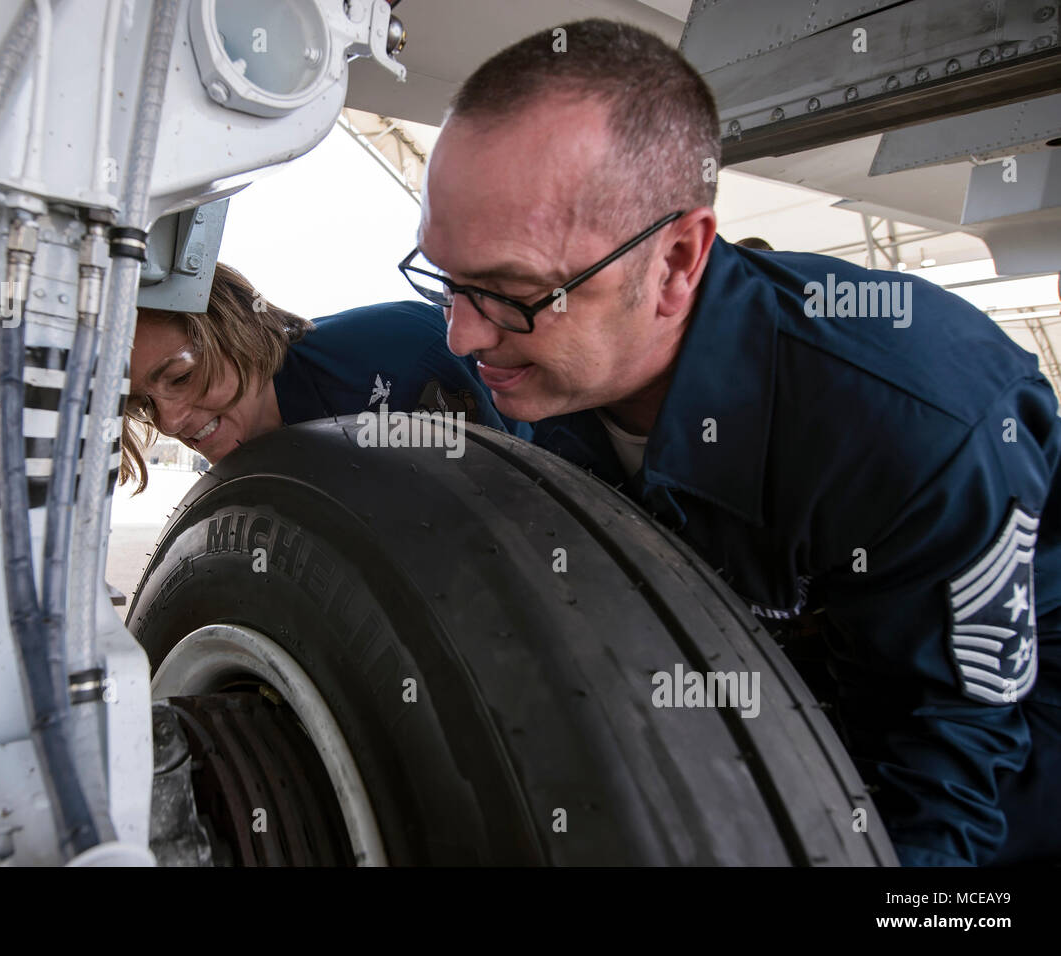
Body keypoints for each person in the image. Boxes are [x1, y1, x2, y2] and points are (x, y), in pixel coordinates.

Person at [403, 18, 1059, 866]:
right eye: (445, 279)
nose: (461, 336)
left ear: (677, 261)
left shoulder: (913, 420)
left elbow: (948, 768)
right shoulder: (535, 364)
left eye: (509, 292)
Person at [121, 261, 530, 492]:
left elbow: (517, 507)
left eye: (180, 378)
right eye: (144, 404)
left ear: (240, 330)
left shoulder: (399, 354)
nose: (169, 422)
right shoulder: (241, 479)